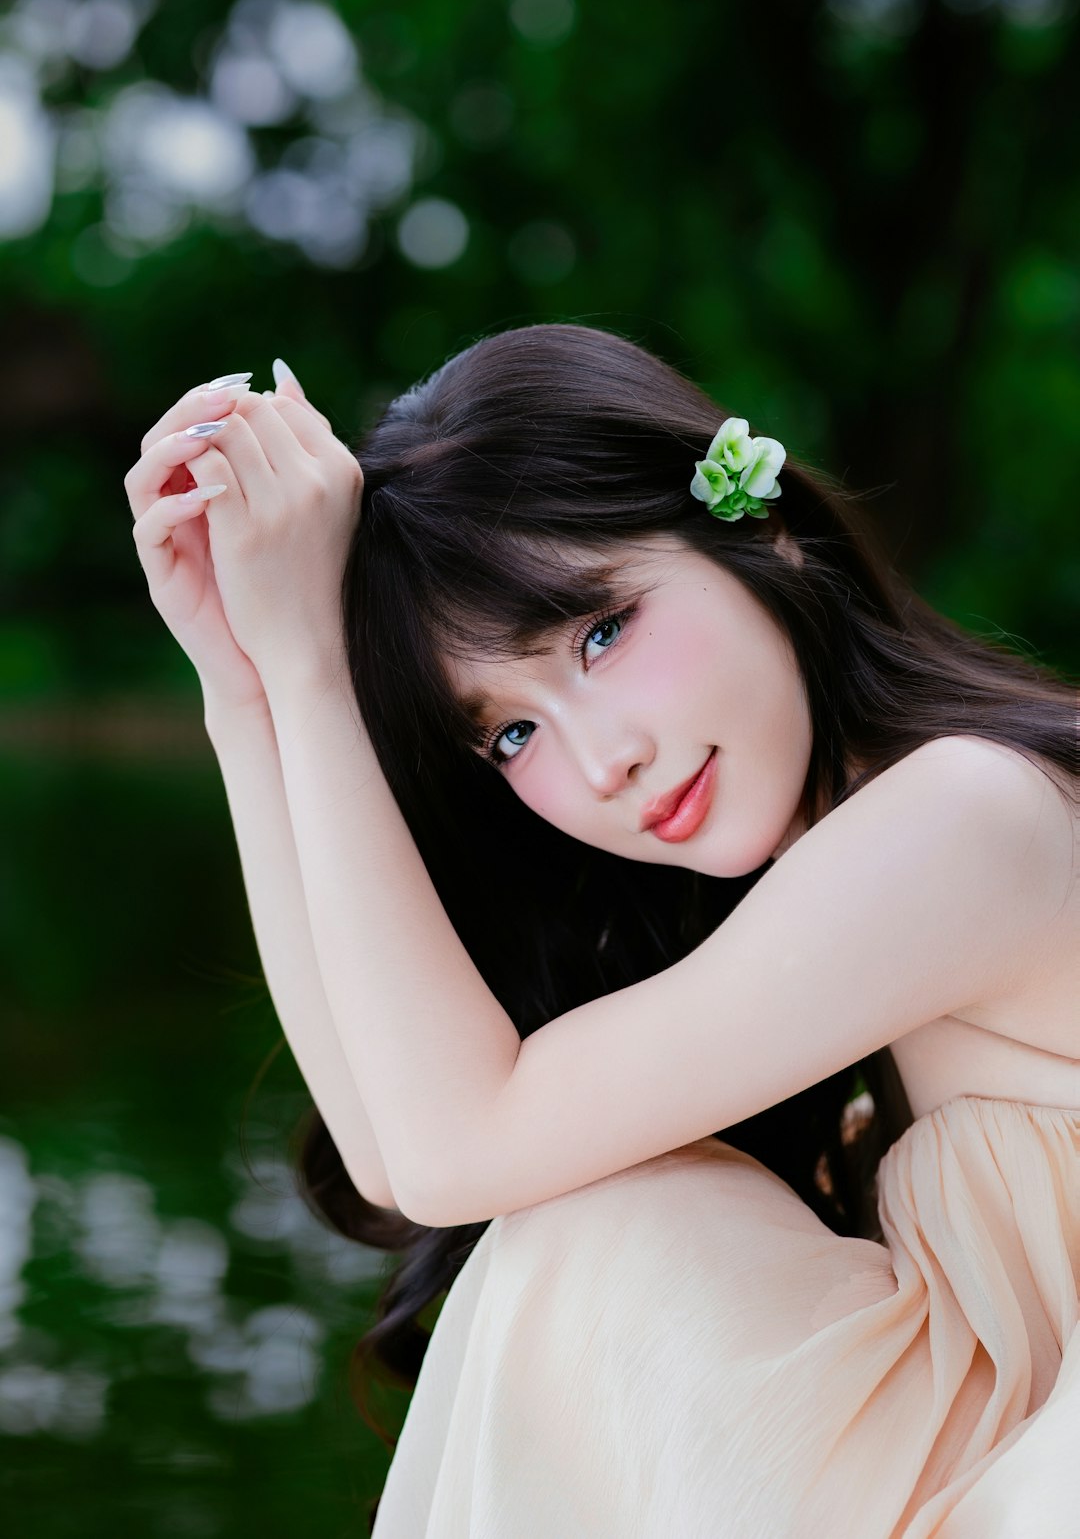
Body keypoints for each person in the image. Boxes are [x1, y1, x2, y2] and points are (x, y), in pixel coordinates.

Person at [126, 324, 1078, 1537]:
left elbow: (452, 1148)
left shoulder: (967, 819)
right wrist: (246, 685)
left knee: (599, 1234)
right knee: (579, 1216)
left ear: (760, 527)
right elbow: (394, 1147)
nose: (603, 760)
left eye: (599, 633)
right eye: (509, 735)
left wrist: (312, 660)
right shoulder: (864, 862)